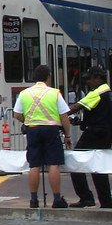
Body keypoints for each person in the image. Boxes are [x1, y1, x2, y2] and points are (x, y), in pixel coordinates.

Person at [12, 64, 73, 209]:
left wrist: (28, 121)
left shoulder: (25, 93)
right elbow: (64, 117)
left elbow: (17, 114)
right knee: (53, 164)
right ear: (48, 77)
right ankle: (57, 199)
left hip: (33, 130)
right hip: (51, 129)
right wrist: (68, 135)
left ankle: (34, 199)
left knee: (34, 165)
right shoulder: (54, 93)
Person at [65, 65, 112, 208]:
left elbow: (74, 108)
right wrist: (80, 122)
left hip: (93, 135)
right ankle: (106, 201)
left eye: (90, 79)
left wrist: (58, 115)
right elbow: (99, 115)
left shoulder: (97, 92)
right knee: (99, 168)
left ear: (98, 78)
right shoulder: (108, 93)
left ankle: (86, 197)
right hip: (105, 135)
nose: (88, 82)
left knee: (75, 162)